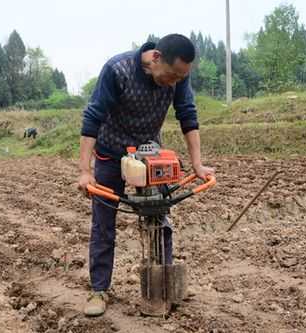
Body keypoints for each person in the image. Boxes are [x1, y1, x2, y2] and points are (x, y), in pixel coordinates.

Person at [77, 34, 215, 317]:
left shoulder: (179, 76)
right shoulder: (117, 70)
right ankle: (99, 289)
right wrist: (84, 171)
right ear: (155, 58)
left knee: (159, 216)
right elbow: (93, 118)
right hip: (111, 151)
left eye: (181, 77)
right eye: (172, 75)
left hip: (149, 152)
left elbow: (187, 115)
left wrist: (198, 165)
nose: (175, 82)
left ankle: (162, 285)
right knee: (104, 223)